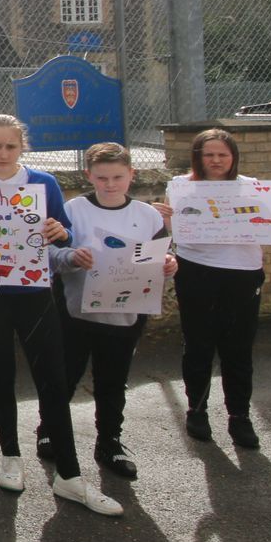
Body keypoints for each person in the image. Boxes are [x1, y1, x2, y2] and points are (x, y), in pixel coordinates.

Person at [0, 113, 121, 516]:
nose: (3, 153)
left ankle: (70, 475)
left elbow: (65, 234)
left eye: (10, 146)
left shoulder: (43, 184)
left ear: (22, 146)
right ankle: (10, 456)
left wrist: (60, 233)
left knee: (52, 379)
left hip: (35, 291)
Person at [47, 142, 176, 482]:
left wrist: (169, 264)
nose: (110, 184)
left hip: (125, 315)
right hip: (76, 313)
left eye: (118, 177)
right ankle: (50, 430)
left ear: (131, 175)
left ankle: (109, 443)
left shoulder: (147, 216)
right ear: (89, 175)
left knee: (113, 383)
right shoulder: (72, 210)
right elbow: (50, 256)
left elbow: (162, 257)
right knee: (65, 377)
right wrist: (72, 258)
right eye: (102, 178)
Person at [166, 127, 271, 450]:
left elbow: (266, 229)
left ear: (233, 158)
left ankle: (239, 416)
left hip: (243, 274)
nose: (215, 160)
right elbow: (177, 230)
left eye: (222, 155)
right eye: (208, 154)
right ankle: (196, 410)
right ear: (197, 156)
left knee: (238, 349)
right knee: (198, 345)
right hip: (196, 272)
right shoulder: (182, 187)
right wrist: (163, 219)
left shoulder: (252, 188)